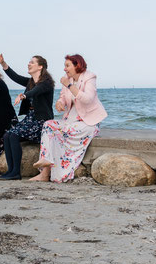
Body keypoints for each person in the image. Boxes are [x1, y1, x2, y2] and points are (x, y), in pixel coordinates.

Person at [30, 54, 107, 183]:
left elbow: (87, 99)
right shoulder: (67, 79)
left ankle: (49, 173)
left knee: (61, 133)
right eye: (64, 66)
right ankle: (46, 161)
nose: (65, 69)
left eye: (67, 66)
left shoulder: (89, 77)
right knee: (49, 125)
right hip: (70, 119)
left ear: (77, 65)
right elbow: (63, 97)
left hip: (87, 122)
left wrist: (70, 86)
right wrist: (60, 103)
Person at [0, 52, 55, 180]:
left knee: (14, 135)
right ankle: (10, 171)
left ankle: (16, 172)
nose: (29, 64)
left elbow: (36, 91)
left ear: (40, 67)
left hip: (41, 121)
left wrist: (24, 95)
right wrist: (3, 63)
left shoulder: (47, 82)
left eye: (32, 62)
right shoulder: (30, 82)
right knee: (7, 135)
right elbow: (15, 77)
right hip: (30, 119)